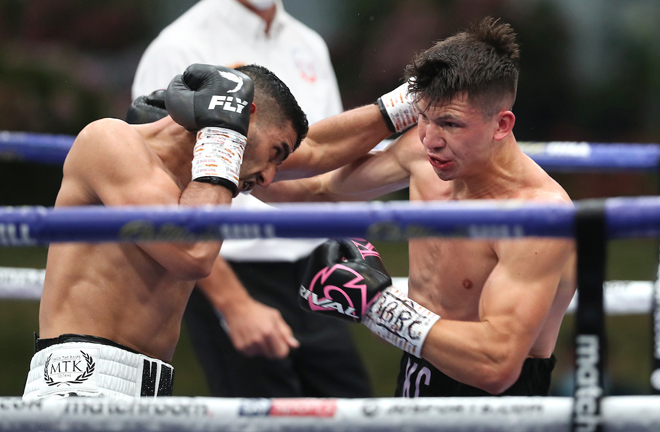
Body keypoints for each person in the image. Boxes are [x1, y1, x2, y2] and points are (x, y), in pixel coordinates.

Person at [23, 62, 395, 400]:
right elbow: (193, 253)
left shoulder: (192, 184)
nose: (268, 176)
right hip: (78, 381)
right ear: (245, 114)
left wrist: (405, 105)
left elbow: (320, 153)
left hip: (146, 385)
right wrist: (224, 139)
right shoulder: (109, 141)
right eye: (275, 152)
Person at [259, 17, 577, 397]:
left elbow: (496, 365)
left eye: (450, 124)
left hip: (495, 405)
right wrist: (233, 160)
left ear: (502, 124)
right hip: (415, 378)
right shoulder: (421, 154)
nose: (431, 139)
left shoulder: (537, 216)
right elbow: (316, 190)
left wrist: (378, 306)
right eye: (423, 117)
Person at [132, 0, 373, 398]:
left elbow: (328, 163)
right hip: (226, 267)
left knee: (352, 413)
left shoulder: (308, 44)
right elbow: (157, 195)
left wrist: (354, 246)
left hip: (314, 267)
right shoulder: (178, 47)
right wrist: (233, 304)